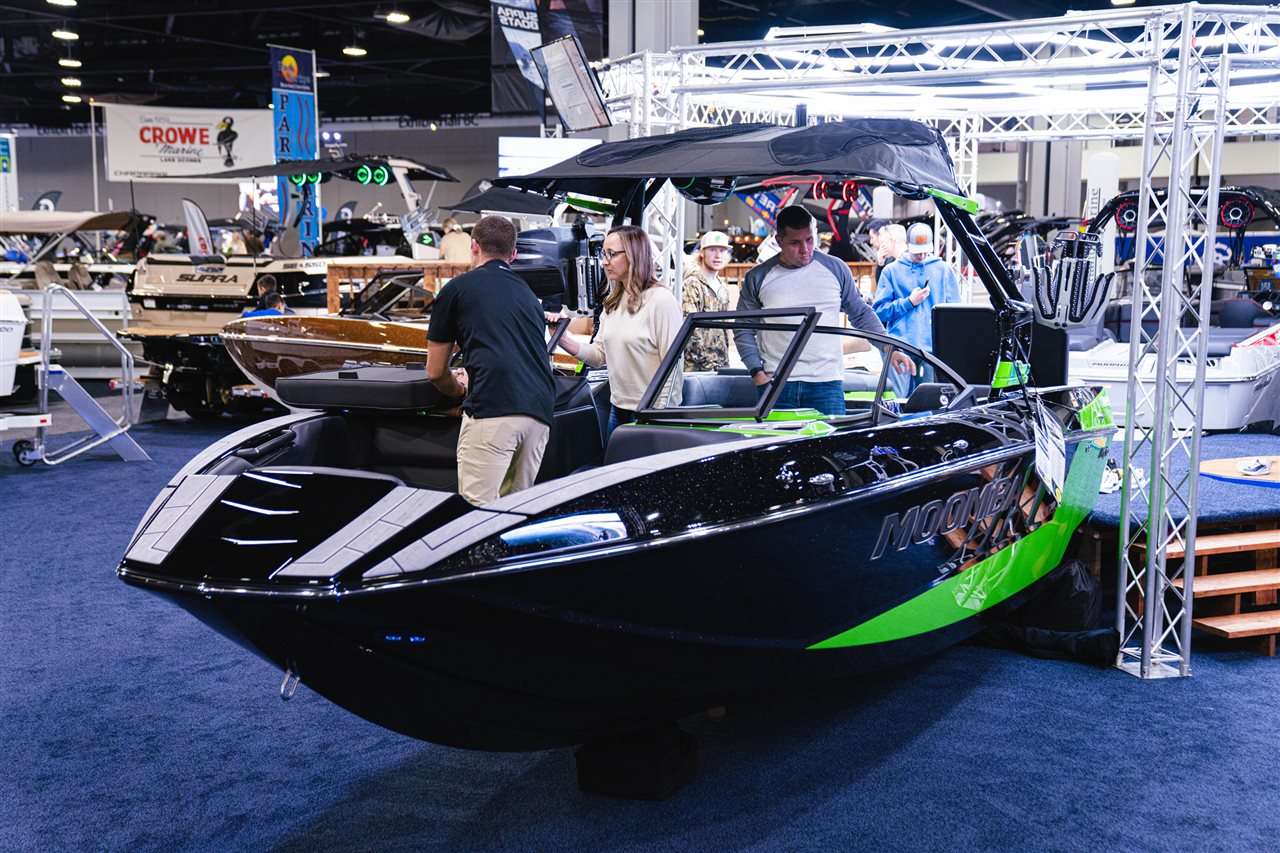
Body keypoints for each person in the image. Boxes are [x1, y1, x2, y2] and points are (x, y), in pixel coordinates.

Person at [734, 205, 913, 416]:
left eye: (810, 240)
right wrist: (756, 372)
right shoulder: (758, 277)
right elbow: (743, 328)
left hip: (826, 383)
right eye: (795, 243)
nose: (805, 249)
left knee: (833, 448)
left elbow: (860, 313)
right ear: (778, 241)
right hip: (776, 384)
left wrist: (888, 347)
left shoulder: (835, 269)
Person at [426, 215, 554, 506]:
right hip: (540, 412)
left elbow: (435, 372)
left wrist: (459, 391)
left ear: (473, 247)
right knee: (516, 512)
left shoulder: (457, 290)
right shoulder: (528, 295)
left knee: (476, 515)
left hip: (494, 409)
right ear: (514, 254)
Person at [555, 224, 683, 437]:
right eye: (604, 253)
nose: (605, 261)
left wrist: (659, 415)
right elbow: (599, 356)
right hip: (619, 411)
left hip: (651, 415)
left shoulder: (660, 300)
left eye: (612, 254)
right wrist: (563, 339)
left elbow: (673, 366)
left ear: (634, 255)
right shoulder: (613, 302)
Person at [873, 222, 961, 397]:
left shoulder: (943, 270)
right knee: (898, 401)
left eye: (925, 251)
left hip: (933, 349)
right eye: (917, 251)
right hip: (900, 346)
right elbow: (880, 312)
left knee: (929, 403)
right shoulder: (891, 271)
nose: (921, 255)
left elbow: (954, 313)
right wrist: (909, 302)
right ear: (907, 245)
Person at [681, 230, 733, 372]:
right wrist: (707, 362)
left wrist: (723, 363)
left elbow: (723, 330)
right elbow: (689, 329)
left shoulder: (723, 288)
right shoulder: (692, 284)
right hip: (696, 368)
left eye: (722, 250)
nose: (718, 255)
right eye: (712, 250)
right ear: (702, 252)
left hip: (720, 365)